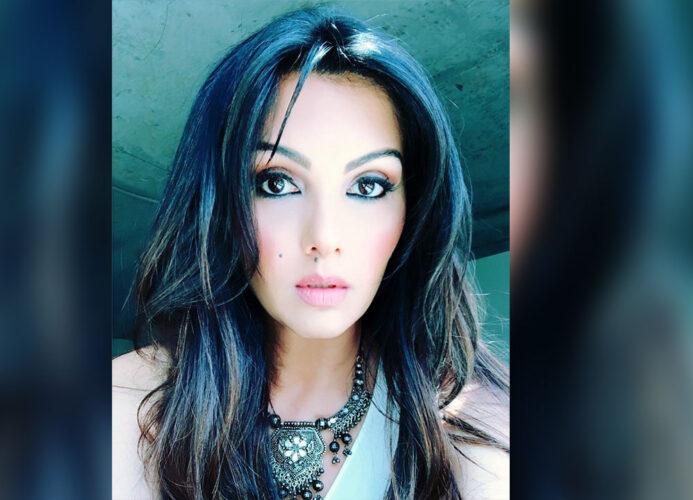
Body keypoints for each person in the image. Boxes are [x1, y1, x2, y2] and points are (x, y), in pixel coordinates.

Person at [113, 6, 509, 499]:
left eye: (368, 185)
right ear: (218, 204)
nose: (324, 236)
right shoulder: (124, 404)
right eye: (277, 182)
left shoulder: (474, 422)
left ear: (415, 211)